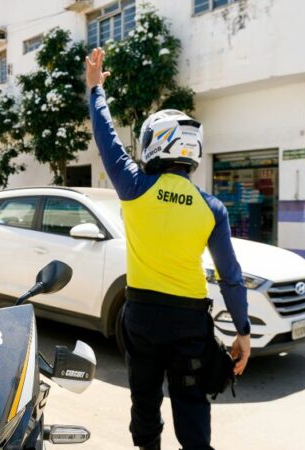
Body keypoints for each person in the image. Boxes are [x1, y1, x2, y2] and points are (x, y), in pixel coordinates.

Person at [85, 47, 251, 450]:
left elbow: (106, 137)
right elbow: (230, 276)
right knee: (191, 402)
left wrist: (95, 90)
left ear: (154, 144)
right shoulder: (211, 208)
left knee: (144, 399)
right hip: (189, 323)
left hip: (140, 317)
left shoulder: (134, 186)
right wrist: (242, 332)